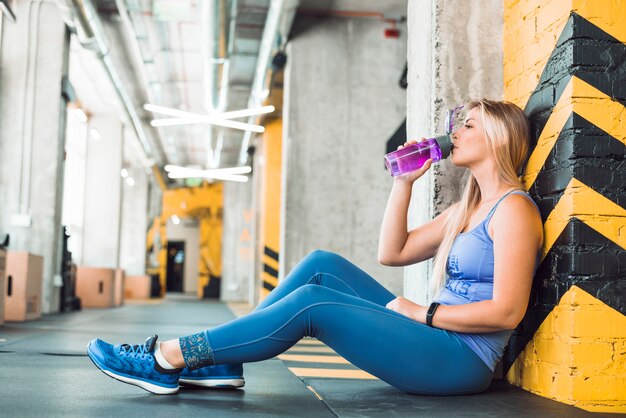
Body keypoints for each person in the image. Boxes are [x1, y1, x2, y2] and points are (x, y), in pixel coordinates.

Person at [87, 99, 543, 396]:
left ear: (499, 137)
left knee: (312, 304)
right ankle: (223, 363)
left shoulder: (514, 211)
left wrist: (422, 313)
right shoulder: (468, 209)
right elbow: (393, 252)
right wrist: (402, 184)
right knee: (322, 266)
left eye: (469, 125)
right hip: (434, 334)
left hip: (458, 359)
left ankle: (167, 357)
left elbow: (507, 312)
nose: (455, 132)